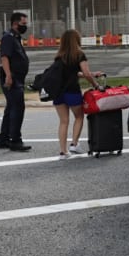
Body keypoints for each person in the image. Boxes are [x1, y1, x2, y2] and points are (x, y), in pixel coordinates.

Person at [51, 29, 102, 159]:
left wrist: (92, 73)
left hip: (58, 92)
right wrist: (95, 84)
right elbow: (85, 73)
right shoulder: (79, 55)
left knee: (63, 121)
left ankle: (63, 151)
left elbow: (73, 73)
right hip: (72, 91)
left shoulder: (59, 56)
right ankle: (74, 143)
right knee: (79, 116)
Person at [0, 12, 31, 152]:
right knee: (18, 108)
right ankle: (15, 140)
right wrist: (9, 76)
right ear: (15, 24)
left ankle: (4, 139)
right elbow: (4, 57)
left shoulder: (15, 37)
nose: (25, 26)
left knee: (11, 107)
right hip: (12, 78)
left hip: (17, 77)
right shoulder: (8, 38)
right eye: (23, 24)